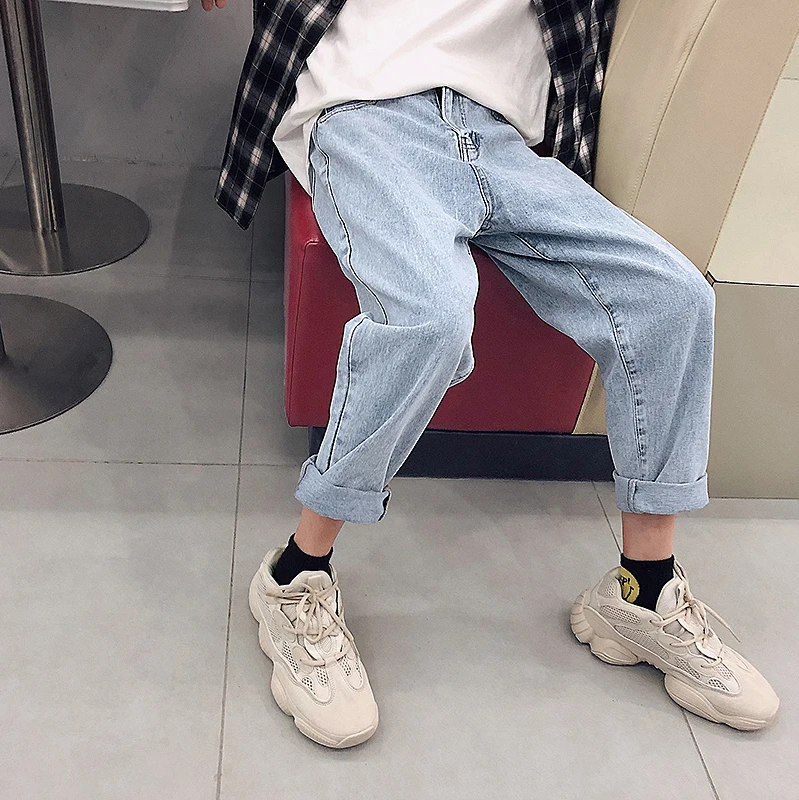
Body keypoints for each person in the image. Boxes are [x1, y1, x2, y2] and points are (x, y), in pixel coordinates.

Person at [205, 0, 779, 747]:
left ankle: (643, 589)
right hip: (366, 116)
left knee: (674, 300)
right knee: (430, 317)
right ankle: (295, 574)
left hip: (501, 140)